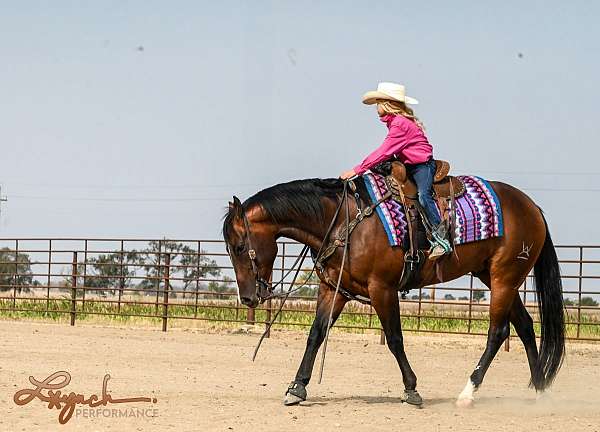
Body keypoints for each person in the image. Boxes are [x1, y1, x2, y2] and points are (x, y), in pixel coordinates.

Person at [339, 82, 451, 259]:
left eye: (378, 103)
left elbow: (384, 151)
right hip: (408, 164)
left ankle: (441, 238)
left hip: (421, 166)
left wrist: (357, 170)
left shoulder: (399, 124)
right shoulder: (395, 123)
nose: (376, 107)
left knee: (423, 195)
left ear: (386, 104)